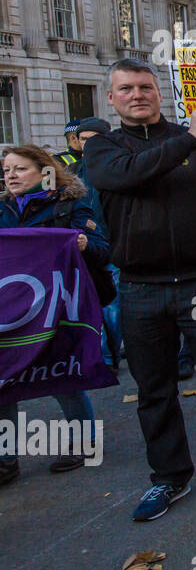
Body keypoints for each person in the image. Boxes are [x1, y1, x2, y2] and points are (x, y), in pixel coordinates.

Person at [84, 58, 196, 521]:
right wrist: (191, 137)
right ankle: (170, 478)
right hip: (139, 288)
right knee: (155, 391)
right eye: (126, 89)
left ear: (159, 93)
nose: (137, 95)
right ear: (112, 98)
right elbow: (130, 175)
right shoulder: (102, 149)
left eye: (145, 87)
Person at [0, 144, 108, 482]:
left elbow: (104, 251)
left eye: (19, 169)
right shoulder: (2, 209)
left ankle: (84, 442)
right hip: (11, 312)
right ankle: (5, 459)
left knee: (61, 377)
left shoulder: (72, 202)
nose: (10, 176)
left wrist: (82, 244)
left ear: (44, 170)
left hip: (56, 307)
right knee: (4, 381)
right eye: (6, 171)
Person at [71, 118, 123, 371]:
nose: (87, 144)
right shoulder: (72, 174)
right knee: (93, 302)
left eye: (93, 138)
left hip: (115, 244)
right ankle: (105, 355)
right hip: (86, 246)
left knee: (113, 304)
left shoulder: (118, 167)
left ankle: (114, 351)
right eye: (83, 139)